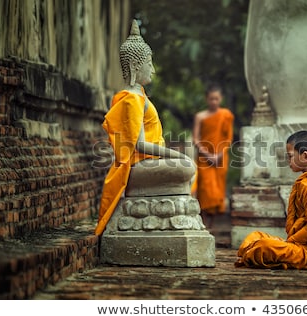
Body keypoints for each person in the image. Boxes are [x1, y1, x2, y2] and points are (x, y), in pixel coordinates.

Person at [95, 20, 193, 236]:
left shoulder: (138, 96)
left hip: (146, 163)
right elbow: (139, 144)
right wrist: (176, 154)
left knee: (187, 166)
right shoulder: (131, 99)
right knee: (186, 167)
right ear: (134, 67)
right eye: (150, 63)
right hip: (138, 164)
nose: (154, 70)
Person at [235, 130, 307, 269]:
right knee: (255, 235)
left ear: (305, 156)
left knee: (263, 246)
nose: (288, 161)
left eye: (290, 156)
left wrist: (291, 242)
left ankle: (251, 253)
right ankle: (251, 251)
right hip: (299, 245)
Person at [192, 84, 234, 228]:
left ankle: (212, 227)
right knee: (204, 191)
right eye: (211, 99)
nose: (214, 102)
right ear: (206, 99)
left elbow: (228, 139)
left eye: (216, 99)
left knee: (217, 193)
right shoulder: (200, 116)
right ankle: (202, 224)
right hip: (204, 158)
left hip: (220, 158)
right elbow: (195, 139)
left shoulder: (225, 115)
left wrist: (218, 155)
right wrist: (208, 155)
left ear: (221, 99)